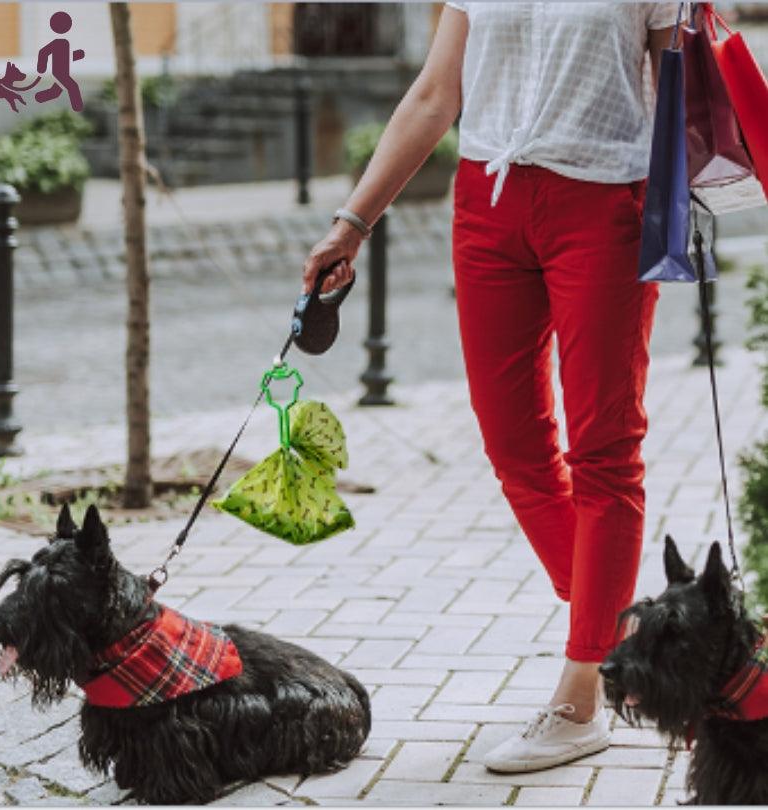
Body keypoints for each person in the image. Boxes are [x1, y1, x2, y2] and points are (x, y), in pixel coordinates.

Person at [302, 2, 679, 773]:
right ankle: (629, 637)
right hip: (488, 203)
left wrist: (680, 217)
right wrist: (353, 221)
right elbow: (436, 95)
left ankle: (582, 699)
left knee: (605, 448)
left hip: (605, 202)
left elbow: (681, 98)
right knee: (513, 445)